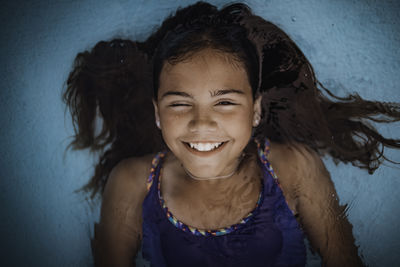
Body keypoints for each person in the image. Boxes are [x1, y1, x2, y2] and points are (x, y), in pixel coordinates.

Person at [63, 2, 400, 267]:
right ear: (156, 113)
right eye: (180, 104)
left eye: (224, 102)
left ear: (255, 110)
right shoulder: (133, 183)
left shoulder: (293, 168)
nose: (201, 124)